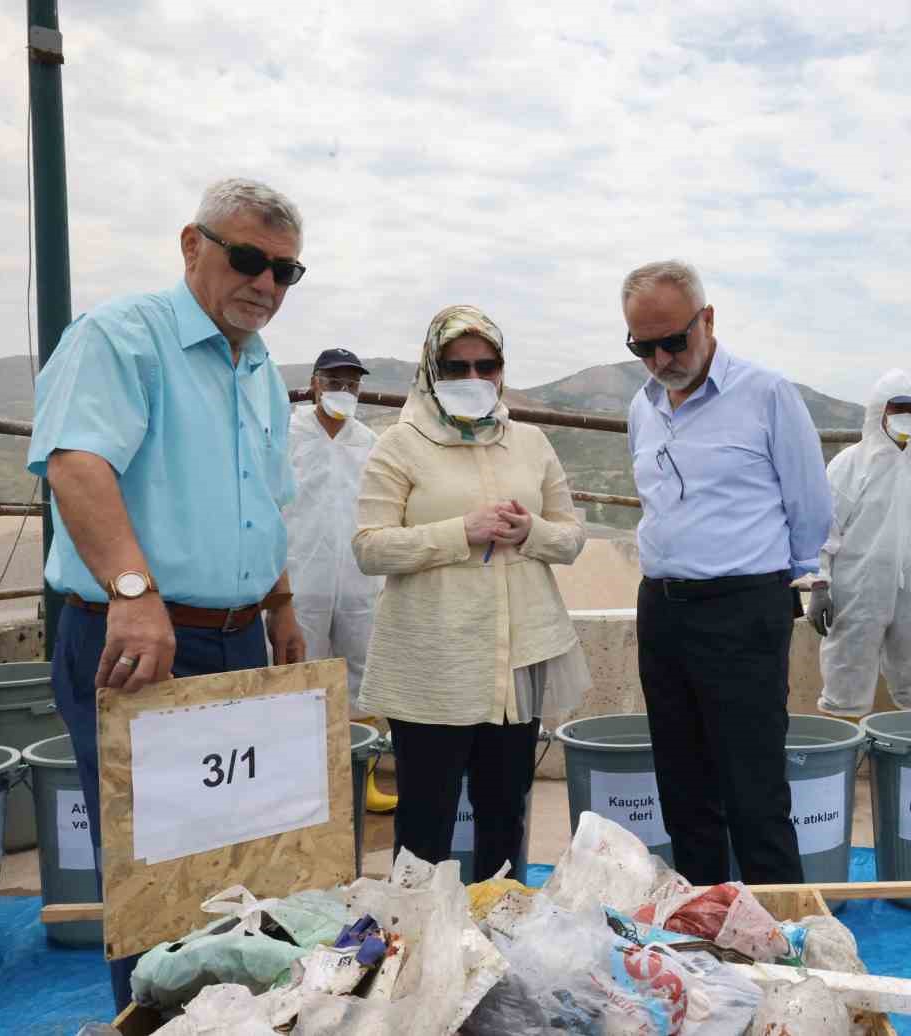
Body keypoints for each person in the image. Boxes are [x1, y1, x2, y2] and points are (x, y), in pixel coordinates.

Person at [27, 178, 308, 1011]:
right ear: (193, 246)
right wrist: (133, 590)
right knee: (157, 873)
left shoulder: (257, 369)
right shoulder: (122, 338)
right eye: (248, 258)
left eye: (285, 272)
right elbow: (78, 462)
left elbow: (264, 499)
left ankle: (234, 1023)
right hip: (140, 640)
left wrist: (281, 604)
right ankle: (154, 1024)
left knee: (243, 862)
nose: (264, 283)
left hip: (236, 640)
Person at [352, 304, 590, 882]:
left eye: (487, 366)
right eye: (456, 368)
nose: (474, 379)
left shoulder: (531, 443)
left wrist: (529, 531)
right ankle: (420, 943)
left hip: (514, 664)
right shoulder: (399, 445)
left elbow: (571, 537)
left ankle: (500, 932)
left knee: (504, 813)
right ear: (432, 371)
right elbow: (369, 547)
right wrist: (461, 533)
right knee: (426, 822)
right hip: (434, 665)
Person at [624, 259, 832, 886]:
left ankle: (781, 947)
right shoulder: (642, 406)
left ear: (707, 320)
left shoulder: (767, 395)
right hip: (662, 611)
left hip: (744, 609)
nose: (661, 359)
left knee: (755, 792)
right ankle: (706, 938)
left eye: (673, 341)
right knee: (682, 789)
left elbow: (811, 507)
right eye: (643, 347)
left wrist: (772, 590)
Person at [283, 346, 396, 813]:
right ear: (314, 383)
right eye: (333, 381)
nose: (343, 391)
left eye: (352, 383)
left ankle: (361, 779)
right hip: (299, 575)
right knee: (301, 675)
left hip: (356, 578)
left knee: (360, 673)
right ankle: (302, 784)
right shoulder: (287, 433)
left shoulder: (369, 440)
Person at [810, 369, 911, 716]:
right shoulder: (850, 464)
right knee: (846, 679)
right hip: (858, 593)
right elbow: (824, 530)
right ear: (879, 412)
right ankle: (843, 762)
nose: (905, 418)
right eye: (897, 409)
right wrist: (819, 584)